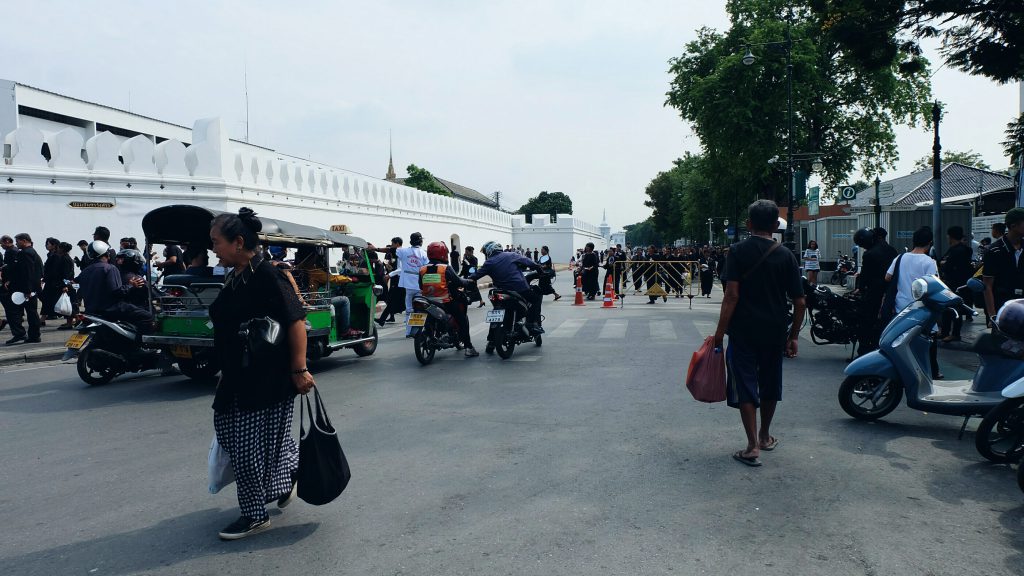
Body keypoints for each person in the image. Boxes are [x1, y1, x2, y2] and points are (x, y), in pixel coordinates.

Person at [207, 208, 311, 541]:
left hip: (267, 377)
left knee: (248, 450)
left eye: (216, 242)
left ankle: (254, 515)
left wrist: (300, 369)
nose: (213, 249)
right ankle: (289, 471)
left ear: (238, 242)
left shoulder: (268, 275)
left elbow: (296, 321)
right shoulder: (235, 275)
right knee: (228, 432)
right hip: (237, 375)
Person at [713, 200, 805, 468]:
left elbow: (731, 295)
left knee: (745, 383)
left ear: (749, 224)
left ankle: (752, 445)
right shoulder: (787, 255)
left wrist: (720, 332)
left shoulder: (738, 251)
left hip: (743, 329)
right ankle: (765, 435)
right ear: (776, 226)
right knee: (770, 381)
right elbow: (799, 302)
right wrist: (794, 336)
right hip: (775, 329)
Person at [885, 226, 942, 378]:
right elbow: (933, 285)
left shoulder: (900, 258)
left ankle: (902, 368)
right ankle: (932, 371)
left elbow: (888, 277)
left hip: (901, 306)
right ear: (930, 243)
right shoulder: (929, 262)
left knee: (902, 339)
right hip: (922, 308)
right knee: (928, 338)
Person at [468, 241, 546, 336]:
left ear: (490, 250)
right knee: (536, 298)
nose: (485, 254)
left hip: (499, 291)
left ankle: (491, 341)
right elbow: (528, 261)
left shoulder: (488, 263)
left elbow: (475, 275)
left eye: (485, 252)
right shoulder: (511, 255)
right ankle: (532, 324)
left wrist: (464, 281)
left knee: (496, 312)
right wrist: (539, 268)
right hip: (519, 289)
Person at [419, 241, 477, 357]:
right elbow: (459, 281)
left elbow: (420, 285)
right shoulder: (445, 268)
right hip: (445, 302)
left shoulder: (423, 269)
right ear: (443, 254)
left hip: (427, 301)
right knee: (462, 320)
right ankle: (469, 347)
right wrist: (469, 281)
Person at [855, 227, 897, 355]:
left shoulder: (869, 254)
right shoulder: (892, 251)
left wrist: (859, 288)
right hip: (889, 292)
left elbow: (865, 276)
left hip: (874, 292)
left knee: (865, 320)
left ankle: (863, 350)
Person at [983, 208, 1024, 332]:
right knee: (1001, 347)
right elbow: (987, 286)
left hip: (1022, 307)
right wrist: (992, 316)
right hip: (1002, 308)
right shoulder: (994, 251)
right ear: (1013, 225)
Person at [5, 233, 44, 345]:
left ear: (24, 240)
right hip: (31, 288)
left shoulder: (25, 253)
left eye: (17, 241)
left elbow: (28, 273)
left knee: (15, 311)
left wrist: (27, 290)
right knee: (31, 313)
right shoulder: (33, 252)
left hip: (25, 290)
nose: (16, 243)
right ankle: (33, 335)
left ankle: (22, 334)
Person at [938, 226, 974, 342]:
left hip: (956, 285)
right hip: (954, 284)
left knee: (955, 310)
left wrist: (944, 264)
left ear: (951, 236)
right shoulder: (960, 249)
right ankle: (944, 332)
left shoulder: (957, 250)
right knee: (948, 309)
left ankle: (955, 334)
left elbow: (946, 266)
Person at [396, 232, 428, 337]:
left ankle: (408, 332)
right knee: (421, 308)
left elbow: (393, 250)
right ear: (421, 241)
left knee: (409, 310)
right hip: (419, 285)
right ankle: (418, 330)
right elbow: (426, 269)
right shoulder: (424, 253)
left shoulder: (404, 251)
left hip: (408, 286)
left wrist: (376, 249)